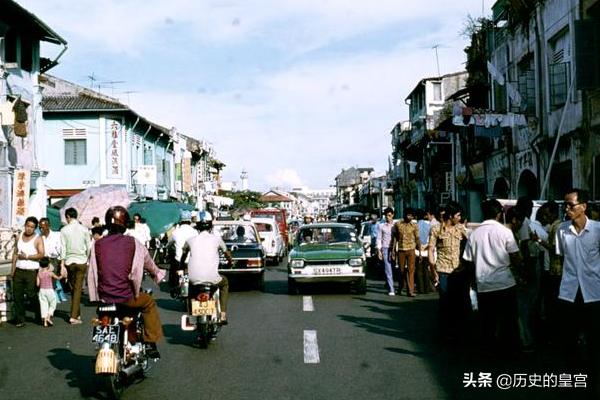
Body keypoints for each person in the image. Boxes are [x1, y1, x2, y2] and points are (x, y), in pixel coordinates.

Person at [87, 206, 166, 359]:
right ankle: (150, 342)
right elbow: (149, 263)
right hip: (126, 298)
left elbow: (93, 270)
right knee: (148, 302)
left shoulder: (97, 245)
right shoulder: (133, 243)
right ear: (125, 224)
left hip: (103, 298)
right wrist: (157, 274)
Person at [462, 199, 522, 354]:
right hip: (505, 283)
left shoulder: (474, 235)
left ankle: (489, 349)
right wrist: (522, 274)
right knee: (508, 319)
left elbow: (468, 261)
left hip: (484, 283)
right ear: (498, 214)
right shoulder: (505, 232)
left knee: (488, 320)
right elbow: (515, 257)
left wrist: (472, 282)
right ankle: (509, 349)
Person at [555, 188, 600, 394]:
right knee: (568, 338)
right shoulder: (562, 230)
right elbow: (561, 257)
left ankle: (592, 380)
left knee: (594, 339)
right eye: (565, 205)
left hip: (594, 292)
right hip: (569, 292)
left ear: (583, 206)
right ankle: (574, 378)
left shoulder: (598, 230)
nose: (567, 209)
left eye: (570, 205)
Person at [181, 211, 232, 323]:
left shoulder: (190, 240)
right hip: (212, 278)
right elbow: (227, 253)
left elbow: (183, 256)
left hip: (194, 278)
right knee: (225, 283)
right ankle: (223, 315)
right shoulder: (217, 239)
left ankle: (190, 312)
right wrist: (231, 262)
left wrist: (181, 266)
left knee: (189, 289)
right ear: (211, 225)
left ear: (197, 226)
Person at [428, 202, 468, 340]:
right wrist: (433, 270)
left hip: (459, 271)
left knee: (460, 302)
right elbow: (431, 250)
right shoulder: (436, 229)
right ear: (451, 216)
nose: (460, 217)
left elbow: (471, 244)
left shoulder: (461, 228)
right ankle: (446, 332)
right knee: (445, 303)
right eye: (458, 215)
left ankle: (459, 330)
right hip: (443, 270)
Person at [11, 216, 45, 327]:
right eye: (27, 226)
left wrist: (27, 257)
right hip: (19, 270)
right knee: (17, 295)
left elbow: (41, 254)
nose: (29, 229)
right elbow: (15, 253)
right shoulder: (19, 236)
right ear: (24, 225)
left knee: (31, 294)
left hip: (32, 271)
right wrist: (13, 270)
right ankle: (20, 319)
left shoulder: (38, 238)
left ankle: (39, 315)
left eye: (31, 227)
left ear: (35, 228)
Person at [60, 207, 91, 324]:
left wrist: (62, 263)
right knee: (77, 289)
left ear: (68, 216)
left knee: (74, 289)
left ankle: (76, 315)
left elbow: (63, 248)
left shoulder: (64, 230)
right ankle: (74, 316)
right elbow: (89, 247)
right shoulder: (84, 229)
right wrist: (87, 259)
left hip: (69, 261)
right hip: (82, 261)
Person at [167, 210, 198, 296]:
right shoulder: (195, 232)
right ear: (189, 220)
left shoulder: (175, 232)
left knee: (173, 270)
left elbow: (169, 244)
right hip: (191, 260)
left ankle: (174, 287)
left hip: (179, 260)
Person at [390, 207, 420, 297]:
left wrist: (420, 251)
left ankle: (410, 291)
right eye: (408, 215)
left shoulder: (414, 225)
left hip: (411, 250)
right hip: (401, 250)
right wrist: (393, 250)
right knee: (401, 270)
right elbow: (395, 238)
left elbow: (417, 238)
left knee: (411, 270)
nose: (409, 217)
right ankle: (401, 287)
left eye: (411, 216)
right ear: (404, 215)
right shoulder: (398, 224)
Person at [38, 217, 67, 302]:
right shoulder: (40, 237)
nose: (41, 229)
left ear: (48, 226)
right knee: (42, 285)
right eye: (40, 227)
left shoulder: (56, 236)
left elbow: (61, 251)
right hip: (43, 261)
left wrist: (62, 265)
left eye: (43, 227)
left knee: (51, 284)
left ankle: (51, 304)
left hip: (53, 261)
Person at [37, 257, 64, 327]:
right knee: (53, 303)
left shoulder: (39, 274)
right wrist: (63, 275)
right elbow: (58, 278)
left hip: (42, 290)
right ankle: (49, 316)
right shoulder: (50, 273)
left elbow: (37, 284)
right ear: (48, 265)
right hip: (49, 290)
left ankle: (45, 321)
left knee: (43, 305)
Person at [376, 207, 397, 295]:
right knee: (388, 269)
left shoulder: (396, 225)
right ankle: (392, 289)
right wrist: (379, 251)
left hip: (395, 249)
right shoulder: (381, 226)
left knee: (394, 267)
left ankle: (388, 283)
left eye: (390, 215)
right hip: (385, 248)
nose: (388, 217)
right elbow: (379, 239)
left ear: (393, 215)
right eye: (386, 216)